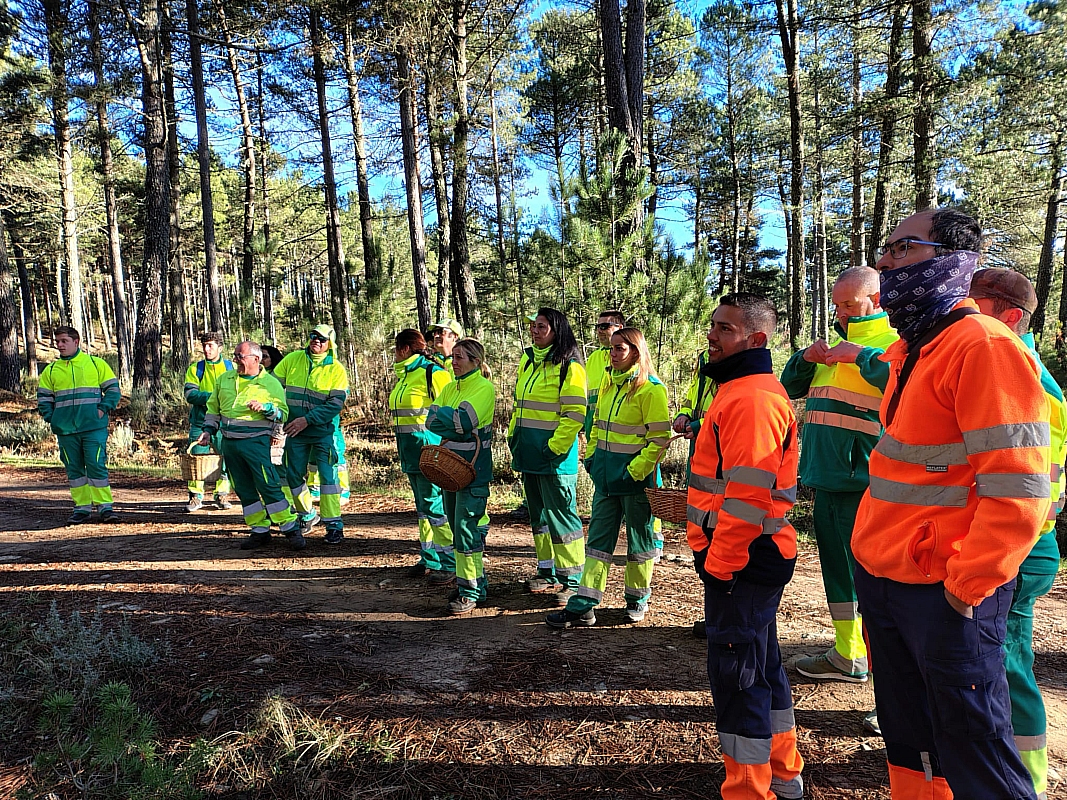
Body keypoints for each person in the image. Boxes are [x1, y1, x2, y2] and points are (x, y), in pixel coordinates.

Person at [851, 208, 1048, 800]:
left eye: (901, 248)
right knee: (911, 741)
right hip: (887, 579)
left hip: (946, 592)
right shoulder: (912, 349)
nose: (885, 262)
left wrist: (968, 587)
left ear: (953, 261)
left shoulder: (984, 346)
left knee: (974, 749)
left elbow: (1018, 488)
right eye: (885, 250)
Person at [686, 293, 804, 800]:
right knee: (761, 664)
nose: (712, 335)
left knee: (739, 677)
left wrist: (721, 564)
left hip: (745, 558)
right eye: (713, 325)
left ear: (756, 339)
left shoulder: (751, 399)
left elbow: (747, 497)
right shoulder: (739, 391)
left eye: (726, 329)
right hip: (749, 556)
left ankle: (750, 790)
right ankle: (783, 773)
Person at [781, 267, 897, 702]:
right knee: (838, 574)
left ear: (876, 299)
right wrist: (805, 358)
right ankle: (849, 655)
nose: (841, 312)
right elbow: (786, 388)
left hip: (867, 484)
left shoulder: (892, 344)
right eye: (836, 304)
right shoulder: (830, 348)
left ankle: (891, 687)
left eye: (849, 304)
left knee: (874, 583)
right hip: (827, 479)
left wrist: (861, 356)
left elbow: (905, 390)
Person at [969, 268, 1064, 800]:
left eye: (973, 304)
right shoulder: (1008, 367)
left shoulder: (1024, 379)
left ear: (1008, 315)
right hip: (1014, 545)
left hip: (1018, 549)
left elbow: (1017, 490)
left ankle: (1027, 780)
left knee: (1006, 663)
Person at [547, 327, 669, 628]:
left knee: (640, 544)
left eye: (619, 349)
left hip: (635, 484)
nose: (612, 354)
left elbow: (659, 439)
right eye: (612, 348)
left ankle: (637, 600)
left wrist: (634, 472)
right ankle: (584, 604)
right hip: (605, 481)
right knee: (598, 544)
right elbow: (597, 426)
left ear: (636, 353)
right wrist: (591, 460)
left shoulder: (651, 390)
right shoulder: (607, 383)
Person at [508, 308, 588, 604]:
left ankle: (573, 581)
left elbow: (575, 414)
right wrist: (513, 437)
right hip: (528, 453)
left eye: (541, 326)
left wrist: (554, 447)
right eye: (533, 325)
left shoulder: (570, 366)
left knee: (562, 518)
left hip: (554, 459)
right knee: (539, 518)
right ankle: (547, 571)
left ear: (557, 330)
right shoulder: (528, 360)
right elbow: (519, 406)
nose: (534, 330)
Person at [198, 341, 304, 550]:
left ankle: (290, 528)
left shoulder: (270, 383)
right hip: (230, 444)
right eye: (235, 355)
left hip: (256, 443)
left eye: (240, 356)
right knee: (243, 488)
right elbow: (213, 409)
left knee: (268, 484)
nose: (235, 360)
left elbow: (283, 414)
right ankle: (260, 530)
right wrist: (208, 430)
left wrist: (266, 408)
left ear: (256, 359)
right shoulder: (224, 379)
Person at [426, 338, 496, 614]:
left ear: (475, 362)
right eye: (452, 357)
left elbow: (463, 422)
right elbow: (431, 421)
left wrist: (451, 419)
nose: (453, 362)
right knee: (457, 529)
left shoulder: (483, 388)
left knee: (466, 528)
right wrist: (453, 419)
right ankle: (474, 583)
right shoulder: (450, 387)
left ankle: (470, 591)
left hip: (473, 470)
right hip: (449, 468)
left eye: (459, 357)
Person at [37, 326, 121, 525]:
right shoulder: (51, 370)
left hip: (93, 428)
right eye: (57, 341)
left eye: (64, 341)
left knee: (96, 465)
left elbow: (113, 390)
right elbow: (44, 399)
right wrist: (53, 418)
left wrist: (101, 410)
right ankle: (82, 508)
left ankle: (105, 507)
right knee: (74, 469)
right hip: (66, 431)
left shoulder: (95, 364)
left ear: (76, 342)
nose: (59, 345)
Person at [390, 329, 456, 582]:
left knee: (434, 506)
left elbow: (450, 411)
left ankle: (450, 562)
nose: (394, 354)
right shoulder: (405, 375)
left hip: (429, 452)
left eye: (396, 349)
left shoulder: (433, 373)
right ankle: (430, 557)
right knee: (423, 508)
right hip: (409, 452)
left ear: (405, 349)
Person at [274, 325, 349, 544]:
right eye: (313, 336)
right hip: (294, 431)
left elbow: (335, 404)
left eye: (322, 339)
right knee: (293, 476)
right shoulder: (292, 359)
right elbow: (273, 387)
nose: (316, 340)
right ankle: (306, 514)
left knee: (328, 478)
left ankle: (334, 525)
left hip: (322, 432)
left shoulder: (336, 369)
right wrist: (277, 413)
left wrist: (307, 420)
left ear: (330, 343)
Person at [183, 332, 233, 512]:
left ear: (220, 347)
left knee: (225, 458)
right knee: (196, 458)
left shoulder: (231, 367)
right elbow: (190, 395)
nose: (206, 349)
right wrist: (215, 397)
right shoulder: (195, 369)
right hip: (200, 422)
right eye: (204, 345)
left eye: (210, 345)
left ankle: (221, 494)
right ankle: (195, 496)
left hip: (225, 422)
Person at [583, 310, 623, 438]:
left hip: (618, 431)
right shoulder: (593, 358)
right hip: (592, 430)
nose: (600, 330)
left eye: (605, 326)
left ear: (619, 328)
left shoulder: (629, 358)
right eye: (598, 327)